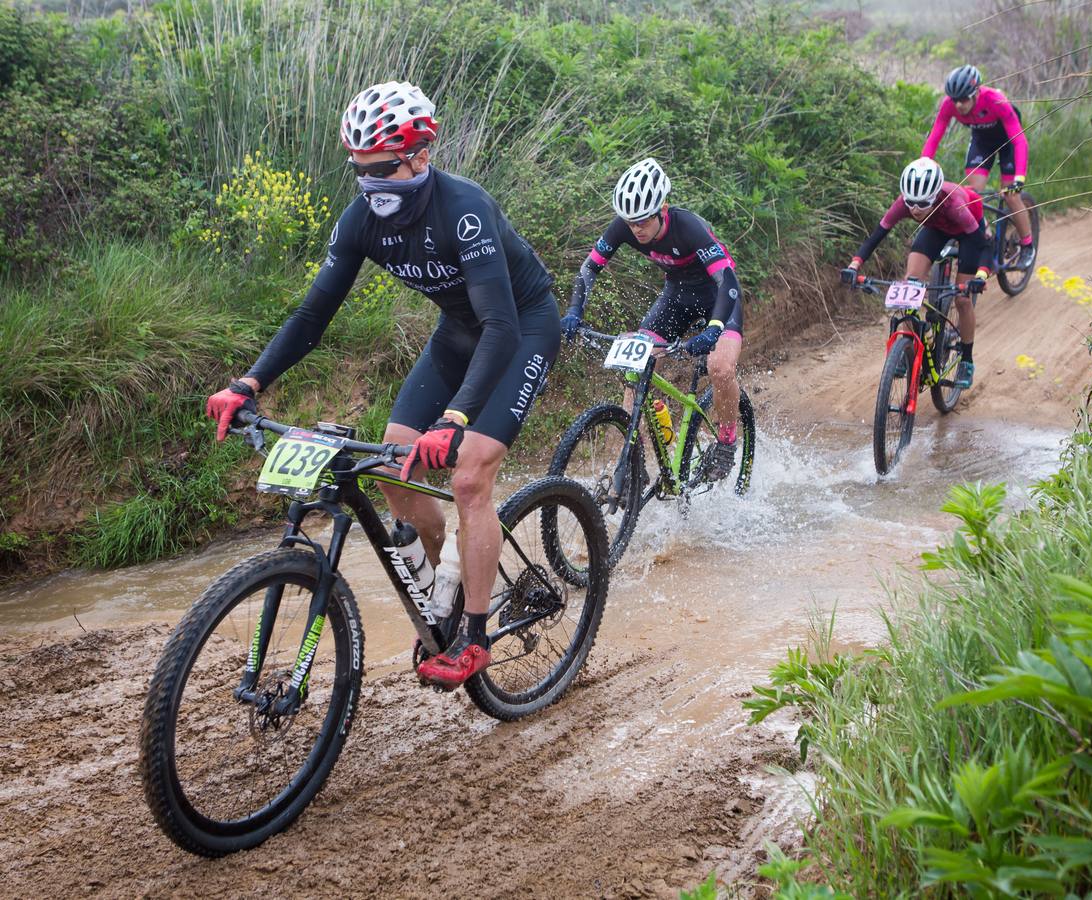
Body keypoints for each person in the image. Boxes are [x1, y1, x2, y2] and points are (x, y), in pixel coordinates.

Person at [205, 81, 561, 689]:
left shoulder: (463, 208)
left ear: (422, 155)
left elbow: (500, 324)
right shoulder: (360, 220)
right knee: (396, 467)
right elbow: (312, 317)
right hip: (458, 333)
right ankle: (442, 583)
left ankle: (475, 637)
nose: (371, 184)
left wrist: (455, 419)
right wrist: (249, 380)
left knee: (470, 476)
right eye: (359, 171)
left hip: (521, 328)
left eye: (383, 168)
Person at [561, 158, 744, 481]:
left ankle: (727, 440)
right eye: (631, 223)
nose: (637, 230)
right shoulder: (623, 227)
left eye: (643, 221)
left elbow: (726, 281)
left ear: (663, 209)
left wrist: (715, 328)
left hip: (719, 298)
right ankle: (632, 457)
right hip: (676, 296)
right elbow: (589, 268)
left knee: (720, 367)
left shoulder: (688, 228)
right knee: (637, 370)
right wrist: (575, 310)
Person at [842, 157, 991, 389]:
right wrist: (854, 265)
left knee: (962, 300)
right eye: (911, 202)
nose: (915, 209)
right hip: (936, 228)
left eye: (922, 203)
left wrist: (981, 275)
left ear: (935, 197)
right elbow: (877, 235)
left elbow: (983, 244)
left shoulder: (954, 205)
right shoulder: (905, 203)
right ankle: (907, 347)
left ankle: (967, 359)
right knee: (909, 285)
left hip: (969, 230)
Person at [922, 64, 1034, 267]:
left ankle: (1027, 244)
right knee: (971, 194)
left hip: (1009, 142)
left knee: (1011, 195)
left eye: (964, 99)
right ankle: (985, 235)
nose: (958, 105)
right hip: (982, 142)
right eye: (955, 99)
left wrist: (1019, 178)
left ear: (976, 92)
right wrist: (924, 164)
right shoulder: (950, 104)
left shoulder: (995, 100)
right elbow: (936, 135)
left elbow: (1019, 141)